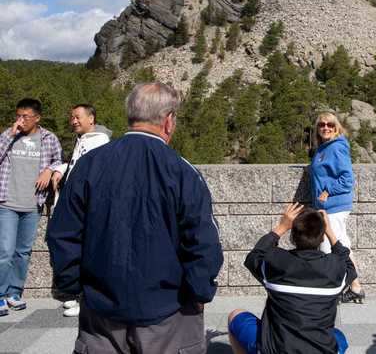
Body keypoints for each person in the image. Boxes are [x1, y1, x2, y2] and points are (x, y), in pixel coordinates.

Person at [47, 82, 223, 353]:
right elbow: (203, 241)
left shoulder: (88, 166)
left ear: (131, 116)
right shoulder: (183, 172)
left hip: (100, 313)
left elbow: (63, 233)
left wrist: (72, 287)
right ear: (168, 121)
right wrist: (199, 292)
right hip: (168, 313)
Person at [228, 203, 354, 354]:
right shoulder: (334, 268)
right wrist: (330, 232)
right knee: (338, 337)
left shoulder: (276, 262)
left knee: (235, 315)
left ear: (293, 236)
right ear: (322, 238)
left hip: (276, 350)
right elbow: (349, 266)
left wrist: (281, 227)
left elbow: (254, 257)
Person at [0, 98, 62, 317]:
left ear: (37, 118)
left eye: (25, 116)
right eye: (18, 115)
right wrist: (9, 133)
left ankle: (14, 293)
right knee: (5, 251)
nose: (20, 120)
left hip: (32, 205)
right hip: (7, 203)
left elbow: (59, 161)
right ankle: (0, 295)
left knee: (23, 252)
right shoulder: (8, 137)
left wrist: (49, 169)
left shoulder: (48, 138)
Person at [50, 103, 111, 318]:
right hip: (76, 203)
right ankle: (76, 294)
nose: (73, 121)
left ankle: (77, 295)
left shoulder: (100, 142)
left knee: (77, 248)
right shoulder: (82, 141)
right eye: (72, 117)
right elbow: (74, 165)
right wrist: (59, 169)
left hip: (86, 206)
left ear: (91, 118)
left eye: (78, 117)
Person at [309, 111, 364, 303]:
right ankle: (355, 287)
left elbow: (347, 179)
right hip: (328, 206)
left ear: (336, 128)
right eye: (322, 124)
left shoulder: (336, 148)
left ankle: (335, 288)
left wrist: (327, 191)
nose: (325, 127)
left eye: (330, 125)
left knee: (328, 247)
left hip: (334, 206)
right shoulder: (324, 148)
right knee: (341, 244)